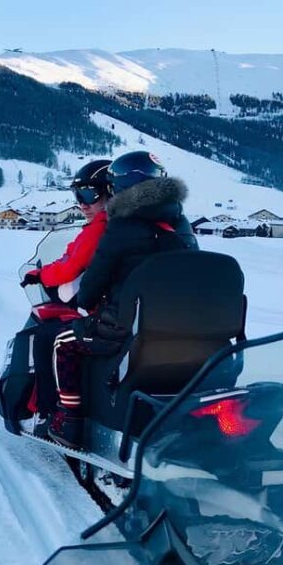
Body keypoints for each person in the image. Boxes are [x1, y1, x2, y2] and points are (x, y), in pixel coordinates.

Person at [49, 151, 198, 448]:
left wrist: (81, 299)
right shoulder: (182, 225)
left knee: (63, 343)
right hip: (183, 327)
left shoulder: (121, 227)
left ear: (119, 188)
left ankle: (70, 420)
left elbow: (92, 286)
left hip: (126, 328)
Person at [19, 160, 111, 424]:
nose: (82, 203)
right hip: (131, 311)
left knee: (49, 336)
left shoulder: (102, 227)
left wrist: (40, 275)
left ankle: (58, 414)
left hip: (105, 315)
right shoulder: (156, 229)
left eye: (89, 195)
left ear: (111, 193)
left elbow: (70, 266)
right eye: (78, 195)